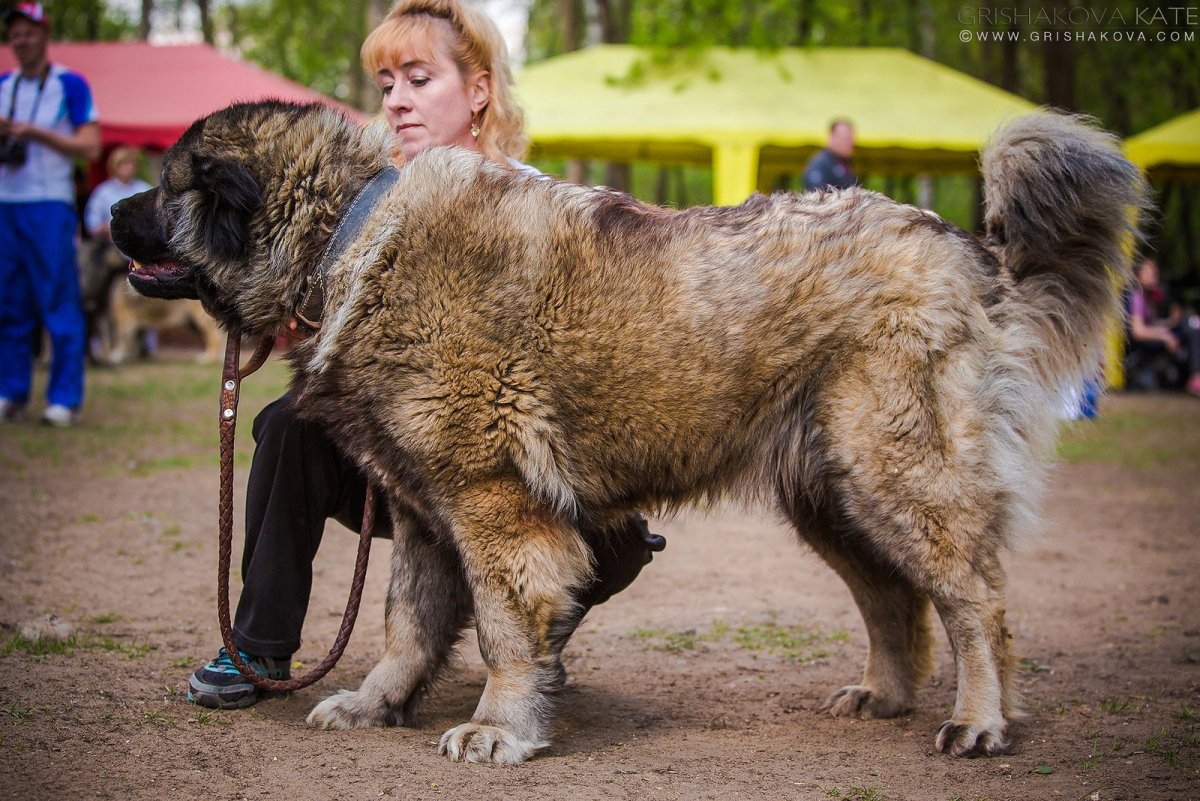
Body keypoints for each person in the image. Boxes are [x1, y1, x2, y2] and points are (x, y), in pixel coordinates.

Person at [188, 0, 664, 710]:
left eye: (418, 78)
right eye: (387, 86)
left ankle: (537, 634)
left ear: (478, 91)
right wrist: (279, 327)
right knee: (288, 425)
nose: (398, 102)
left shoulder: (542, 203)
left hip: (516, 463)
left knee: (618, 535)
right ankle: (259, 641)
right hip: (395, 461)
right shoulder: (362, 201)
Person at [0, 2, 100, 427]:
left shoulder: (70, 84)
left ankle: (63, 398)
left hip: (50, 205)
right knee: (9, 304)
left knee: (59, 302)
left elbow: (91, 146)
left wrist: (34, 133)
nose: (22, 40)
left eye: (29, 32)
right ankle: (11, 390)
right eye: (15, 34)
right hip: (6, 202)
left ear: (45, 33)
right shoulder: (4, 85)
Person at [1126, 257, 1200, 397]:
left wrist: (1169, 323)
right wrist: (1165, 336)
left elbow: (1151, 323)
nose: (1155, 273)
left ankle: (1193, 376)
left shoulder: (1149, 296)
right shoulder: (1136, 296)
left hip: (1152, 339)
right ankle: (1195, 378)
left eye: (1155, 270)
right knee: (1189, 334)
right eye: (1150, 270)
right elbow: (1138, 331)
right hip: (1142, 344)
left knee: (1190, 330)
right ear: (1138, 275)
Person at [802, 118, 857, 192]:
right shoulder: (820, 163)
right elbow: (817, 195)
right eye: (845, 139)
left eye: (851, 139)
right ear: (831, 137)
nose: (850, 143)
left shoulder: (844, 163)